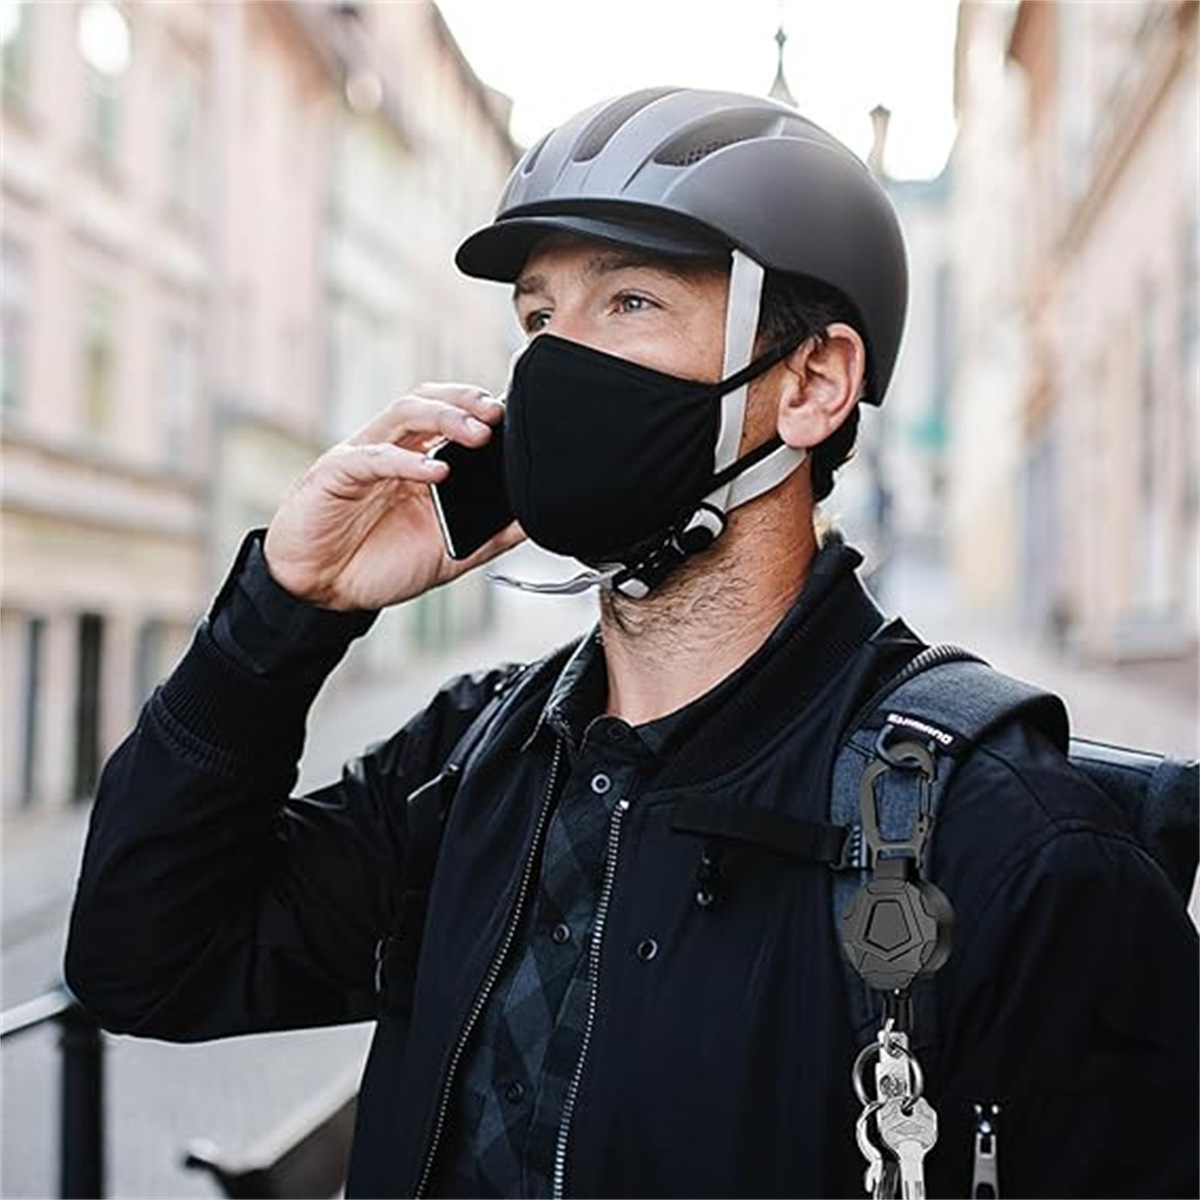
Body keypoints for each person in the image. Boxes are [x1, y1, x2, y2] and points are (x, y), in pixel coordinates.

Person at [65, 88, 1197, 1199]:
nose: (552, 366)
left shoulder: (1013, 846)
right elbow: (146, 957)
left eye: (631, 302)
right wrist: (288, 605)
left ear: (812, 383)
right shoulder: (473, 764)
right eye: (539, 319)